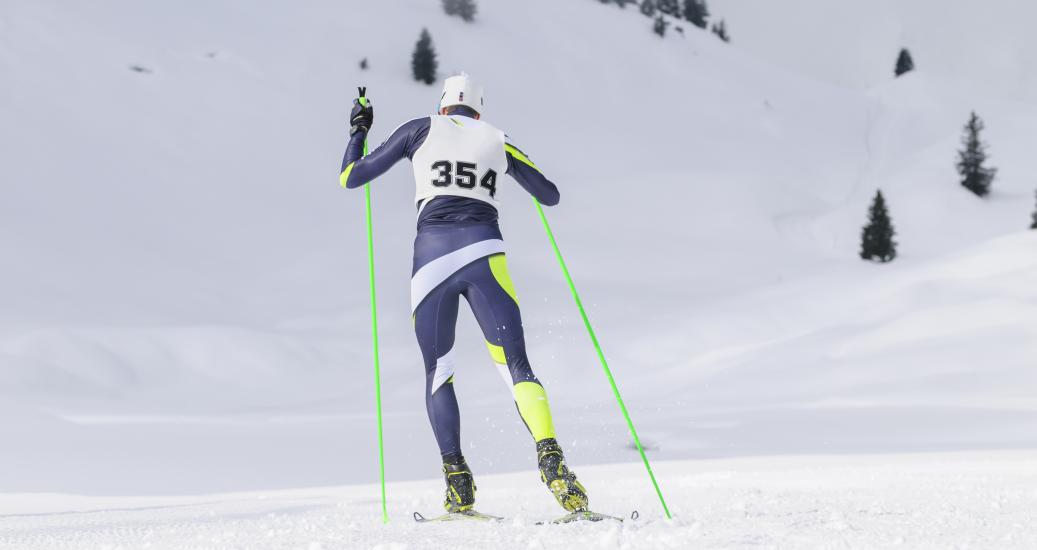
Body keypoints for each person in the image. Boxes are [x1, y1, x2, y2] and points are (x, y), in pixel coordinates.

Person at [339, 73, 588, 514]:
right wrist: (506, 162)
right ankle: (552, 461)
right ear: (479, 108)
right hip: (485, 256)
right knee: (516, 366)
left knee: (439, 372)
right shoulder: (497, 137)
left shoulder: (418, 129)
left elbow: (351, 178)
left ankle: (457, 480)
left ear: (442, 106)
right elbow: (549, 195)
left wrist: (359, 128)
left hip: (431, 260)